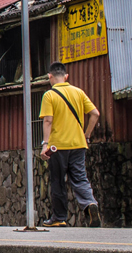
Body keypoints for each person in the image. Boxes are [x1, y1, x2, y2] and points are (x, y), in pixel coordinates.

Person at [37, 62, 102, 227]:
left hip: (57, 146)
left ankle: (59, 218)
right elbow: (95, 114)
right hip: (78, 144)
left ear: (50, 77)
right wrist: (86, 135)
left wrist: (45, 144)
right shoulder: (78, 92)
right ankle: (90, 204)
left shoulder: (49, 95)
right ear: (67, 77)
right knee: (80, 178)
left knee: (58, 181)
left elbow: (48, 120)